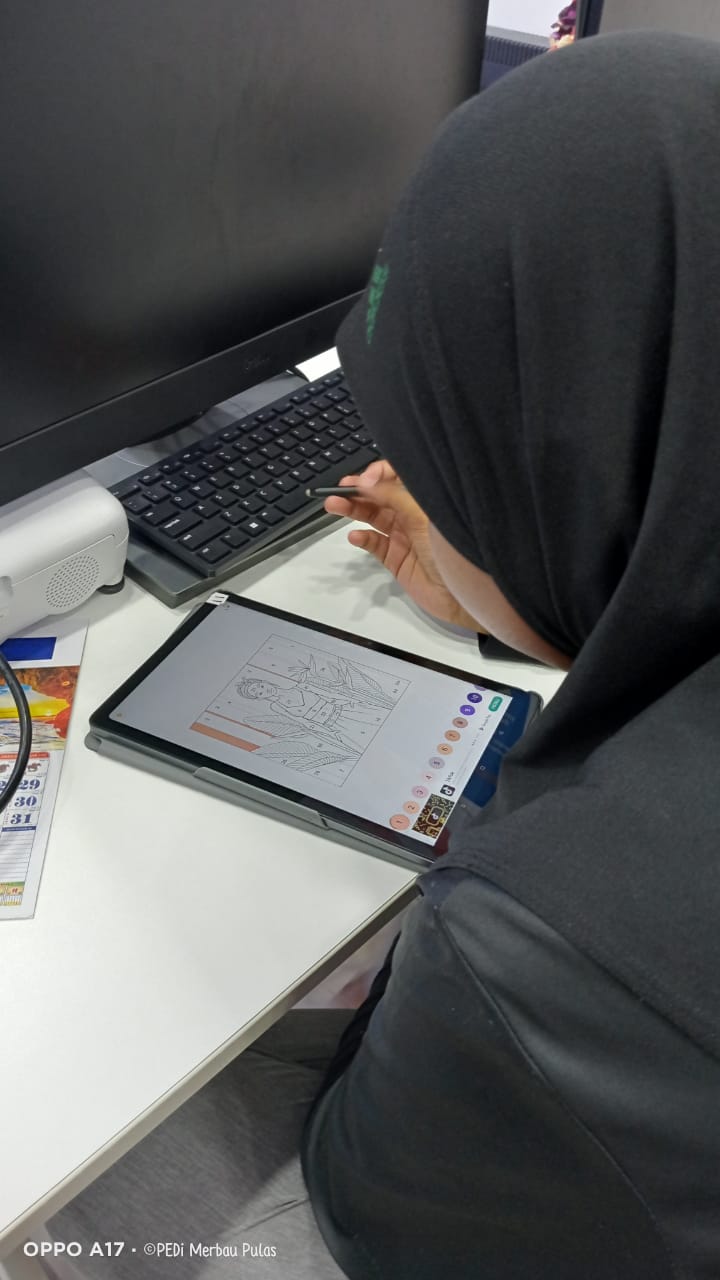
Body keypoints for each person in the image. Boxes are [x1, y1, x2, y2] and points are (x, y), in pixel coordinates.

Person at [47, 31, 720, 1279]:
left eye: (443, 454)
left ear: (543, 484)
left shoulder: (546, 951)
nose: (409, 479)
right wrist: (531, 602)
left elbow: (359, 1216)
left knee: (58, 1171)